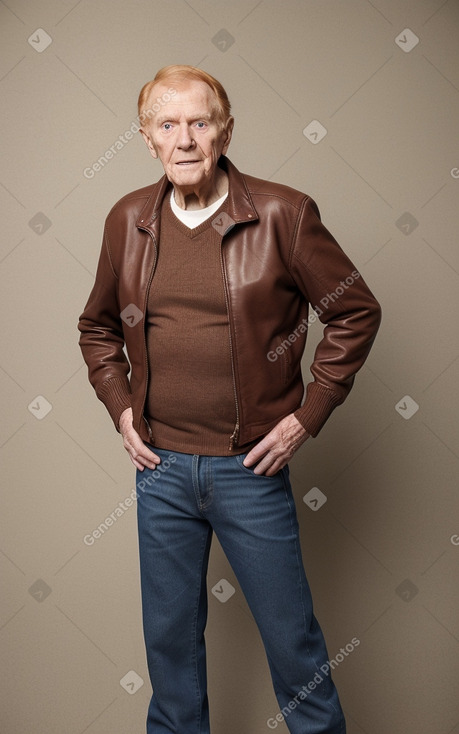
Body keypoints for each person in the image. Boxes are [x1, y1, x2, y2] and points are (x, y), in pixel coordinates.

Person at [78, 64, 381, 734]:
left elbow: (353, 310)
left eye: (199, 122)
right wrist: (121, 407)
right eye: (167, 124)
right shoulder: (127, 220)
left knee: (292, 648)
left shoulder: (283, 214)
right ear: (147, 137)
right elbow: (97, 326)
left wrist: (307, 417)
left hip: (248, 470)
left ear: (225, 131)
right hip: (159, 470)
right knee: (170, 658)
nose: (184, 138)